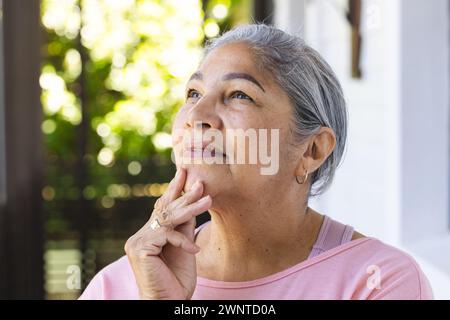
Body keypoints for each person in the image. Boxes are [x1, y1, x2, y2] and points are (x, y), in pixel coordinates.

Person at [79, 24, 433, 300]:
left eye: (238, 95)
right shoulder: (122, 283)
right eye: (193, 93)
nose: (196, 115)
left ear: (312, 150)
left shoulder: (376, 281)